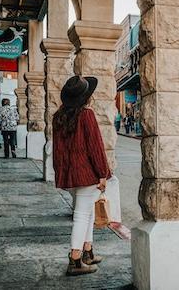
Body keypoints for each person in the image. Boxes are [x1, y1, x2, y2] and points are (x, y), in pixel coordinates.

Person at [52, 76, 111, 276]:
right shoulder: (86, 115)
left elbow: (57, 149)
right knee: (82, 215)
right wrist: (102, 173)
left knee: (87, 213)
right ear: (86, 98)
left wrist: (59, 172)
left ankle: (88, 252)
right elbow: (95, 147)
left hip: (69, 174)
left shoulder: (58, 116)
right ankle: (75, 258)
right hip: (86, 174)